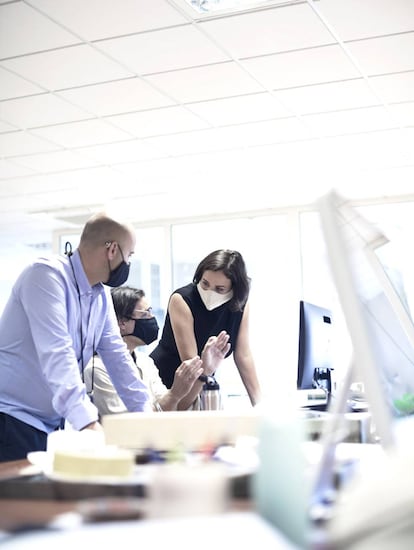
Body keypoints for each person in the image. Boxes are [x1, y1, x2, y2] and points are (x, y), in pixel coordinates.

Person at [0, 213, 153, 462]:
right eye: (130, 255)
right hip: (11, 421)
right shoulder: (46, 277)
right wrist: (90, 425)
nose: (129, 263)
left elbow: (118, 358)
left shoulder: (99, 296)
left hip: (48, 426)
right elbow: (58, 355)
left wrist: (146, 417)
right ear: (113, 250)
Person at [84, 286, 228, 415]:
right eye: (145, 314)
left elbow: (174, 408)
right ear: (121, 322)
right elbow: (129, 425)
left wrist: (205, 372)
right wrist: (174, 394)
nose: (152, 319)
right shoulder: (97, 369)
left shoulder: (145, 362)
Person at [150, 249, 262, 406]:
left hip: (200, 384)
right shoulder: (181, 300)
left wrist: (260, 405)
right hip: (167, 383)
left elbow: (243, 356)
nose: (210, 292)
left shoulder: (239, 306)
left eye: (220, 289)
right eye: (205, 283)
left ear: (234, 289)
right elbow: (191, 363)